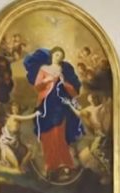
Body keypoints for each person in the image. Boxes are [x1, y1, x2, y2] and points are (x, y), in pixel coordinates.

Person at [23, 46, 84, 179]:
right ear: (52, 56)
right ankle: (51, 165)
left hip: (60, 104)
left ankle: (65, 163)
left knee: (59, 133)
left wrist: (64, 83)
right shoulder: (44, 69)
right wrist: (46, 80)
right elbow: (37, 87)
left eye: (61, 56)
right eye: (57, 55)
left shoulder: (63, 71)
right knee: (47, 135)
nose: (58, 58)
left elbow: (71, 90)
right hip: (47, 104)